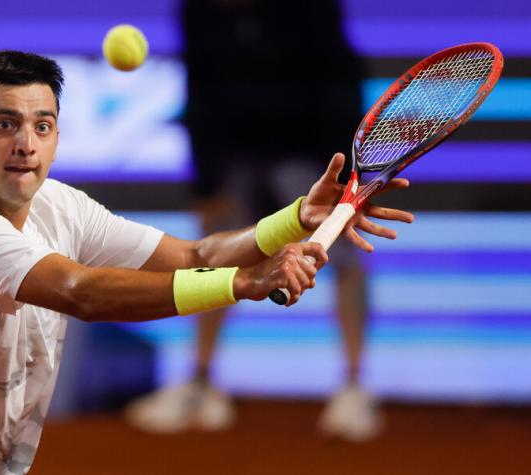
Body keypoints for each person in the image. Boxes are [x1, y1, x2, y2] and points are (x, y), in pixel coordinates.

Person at [0, 51, 411, 473]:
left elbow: (193, 253)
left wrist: (296, 218)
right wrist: (246, 283)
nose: (25, 142)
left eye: (41, 125)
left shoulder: (61, 206)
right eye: (5, 124)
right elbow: (79, 291)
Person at [125, 0, 379, 441]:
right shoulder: (198, 10)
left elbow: (339, 77)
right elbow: (200, 85)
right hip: (234, 157)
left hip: (312, 157)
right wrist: (206, 183)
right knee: (209, 261)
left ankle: (354, 389)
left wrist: (347, 175)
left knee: (346, 262)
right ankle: (200, 384)